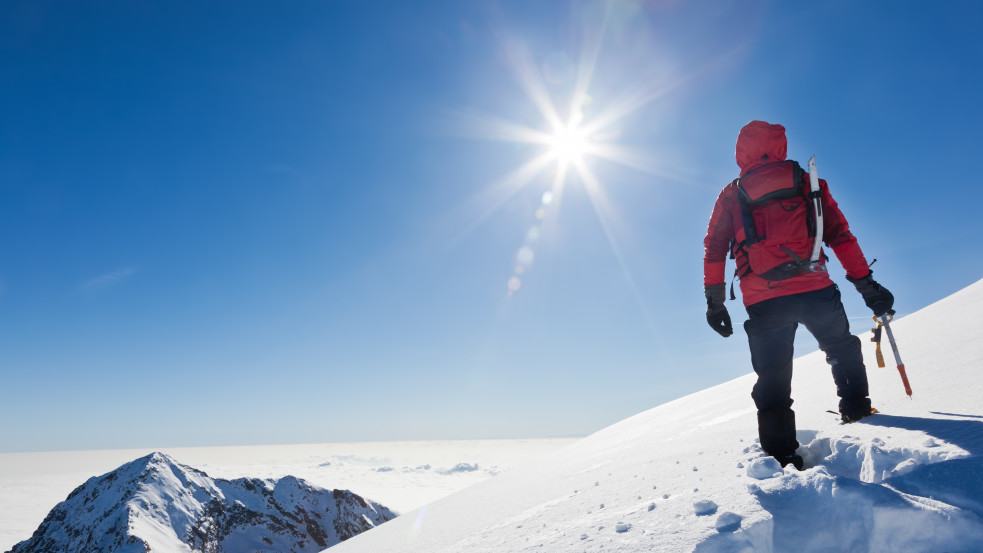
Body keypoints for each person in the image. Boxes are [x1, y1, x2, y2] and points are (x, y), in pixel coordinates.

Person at [702, 120, 895, 470]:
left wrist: (714, 301)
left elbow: (714, 248)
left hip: (763, 298)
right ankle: (856, 410)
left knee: (773, 375)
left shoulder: (732, 194)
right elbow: (840, 236)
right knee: (840, 348)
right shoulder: (808, 181)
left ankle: (781, 456)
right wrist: (866, 284)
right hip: (815, 287)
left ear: (740, 151)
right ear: (780, 145)